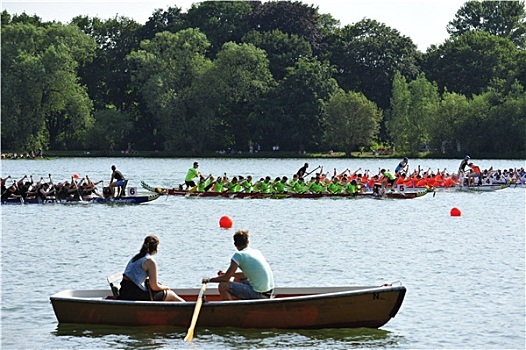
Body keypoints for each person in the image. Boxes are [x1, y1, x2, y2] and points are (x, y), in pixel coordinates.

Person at [202, 230, 274, 301]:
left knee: (223, 286)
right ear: (248, 242)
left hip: (259, 294)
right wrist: (227, 274)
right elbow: (245, 275)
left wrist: (209, 280)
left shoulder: (238, 255)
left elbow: (226, 278)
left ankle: (233, 310)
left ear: (235, 244)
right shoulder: (256, 252)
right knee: (237, 279)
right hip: (269, 292)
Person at [119, 235, 184, 302]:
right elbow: (154, 286)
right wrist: (166, 288)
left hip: (124, 291)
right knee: (171, 294)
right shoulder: (150, 261)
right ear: (156, 248)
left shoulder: (136, 257)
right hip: (135, 294)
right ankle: (188, 308)